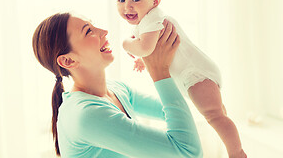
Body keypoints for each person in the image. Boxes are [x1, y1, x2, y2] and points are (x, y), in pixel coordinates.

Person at [115, 0, 247, 158]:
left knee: (215, 116)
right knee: (219, 115)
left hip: (196, 75)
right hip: (194, 74)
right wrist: (143, 60)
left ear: (155, 1)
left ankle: (237, 153)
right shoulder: (146, 22)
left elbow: (146, 47)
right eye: (121, 0)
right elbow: (153, 48)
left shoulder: (153, 18)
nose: (128, 6)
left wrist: (126, 44)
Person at [32, 12, 203, 158]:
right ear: (68, 60)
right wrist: (159, 71)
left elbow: (172, 113)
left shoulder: (116, 89)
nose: (104, 32)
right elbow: (189, 152)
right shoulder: (87, 115)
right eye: (88, 31)